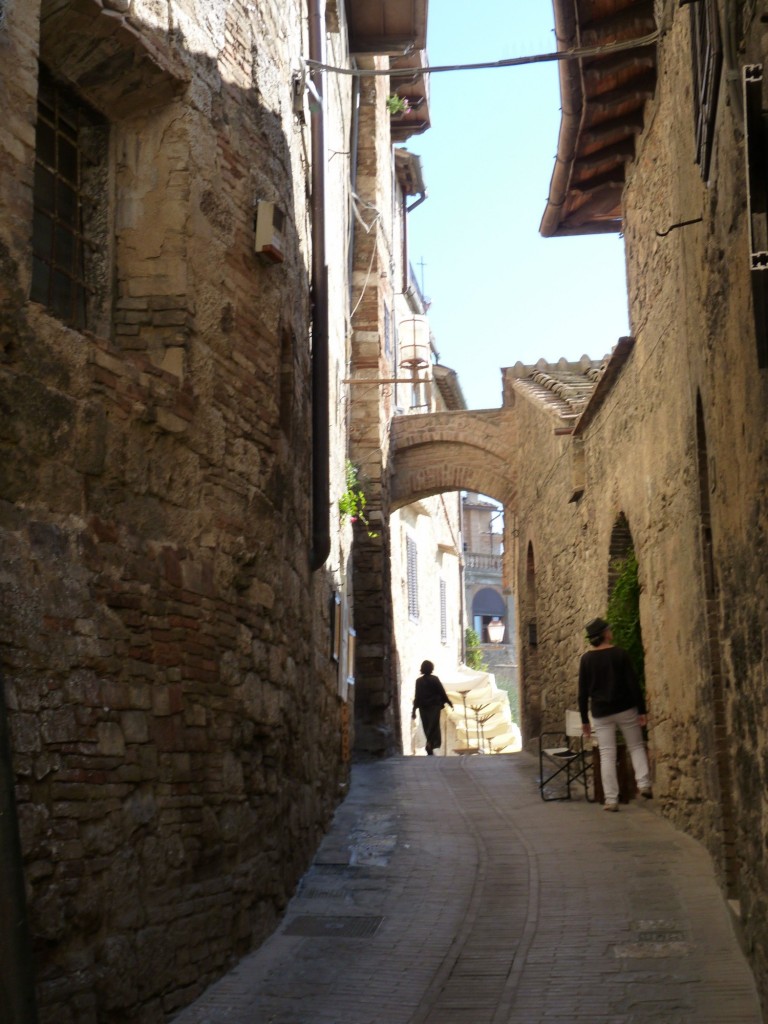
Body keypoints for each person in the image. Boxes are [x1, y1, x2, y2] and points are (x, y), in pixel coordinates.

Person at [578, 617, 652, 811]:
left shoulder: (586, 660)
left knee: (607, 755)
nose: (611, 631)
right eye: (609, 629)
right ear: (604, 634)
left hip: (601, 713)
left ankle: (611, 799)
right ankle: (643, 783)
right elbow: (633, 684)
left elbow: (582, 693)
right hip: (625, 708)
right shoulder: (620, 654)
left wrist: (584, 720)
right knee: (635, 746)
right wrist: (641, 710)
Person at [411, 660, 453, 756]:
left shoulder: (419, 681)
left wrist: (414, 710)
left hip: (423, 707)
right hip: (434, 706)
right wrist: (448, 702)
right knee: (433, 726)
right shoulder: (435, 679)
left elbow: (417, 696)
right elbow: (442, 692)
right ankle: (430, 744)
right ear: (431, 669)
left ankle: (429, 743)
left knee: (427, 726)